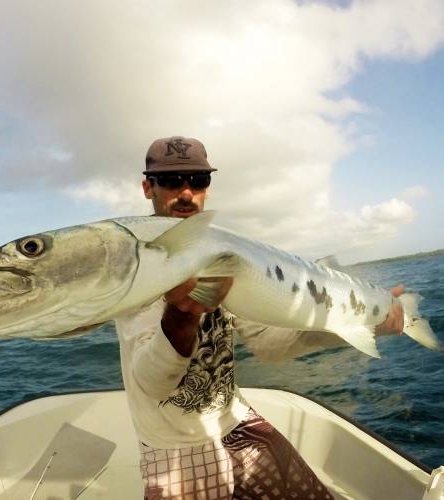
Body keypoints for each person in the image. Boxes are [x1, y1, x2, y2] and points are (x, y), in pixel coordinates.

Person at [114, 136, 406, 500]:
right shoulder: (136, 264)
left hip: (236, 420)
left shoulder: (225, 252)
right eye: (172, 181)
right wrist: (180, 315)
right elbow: (153, 383)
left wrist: (362, 325)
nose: (186, 193)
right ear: (148, 188)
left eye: (198, 180)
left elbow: (270, 346)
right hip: (174, 446)